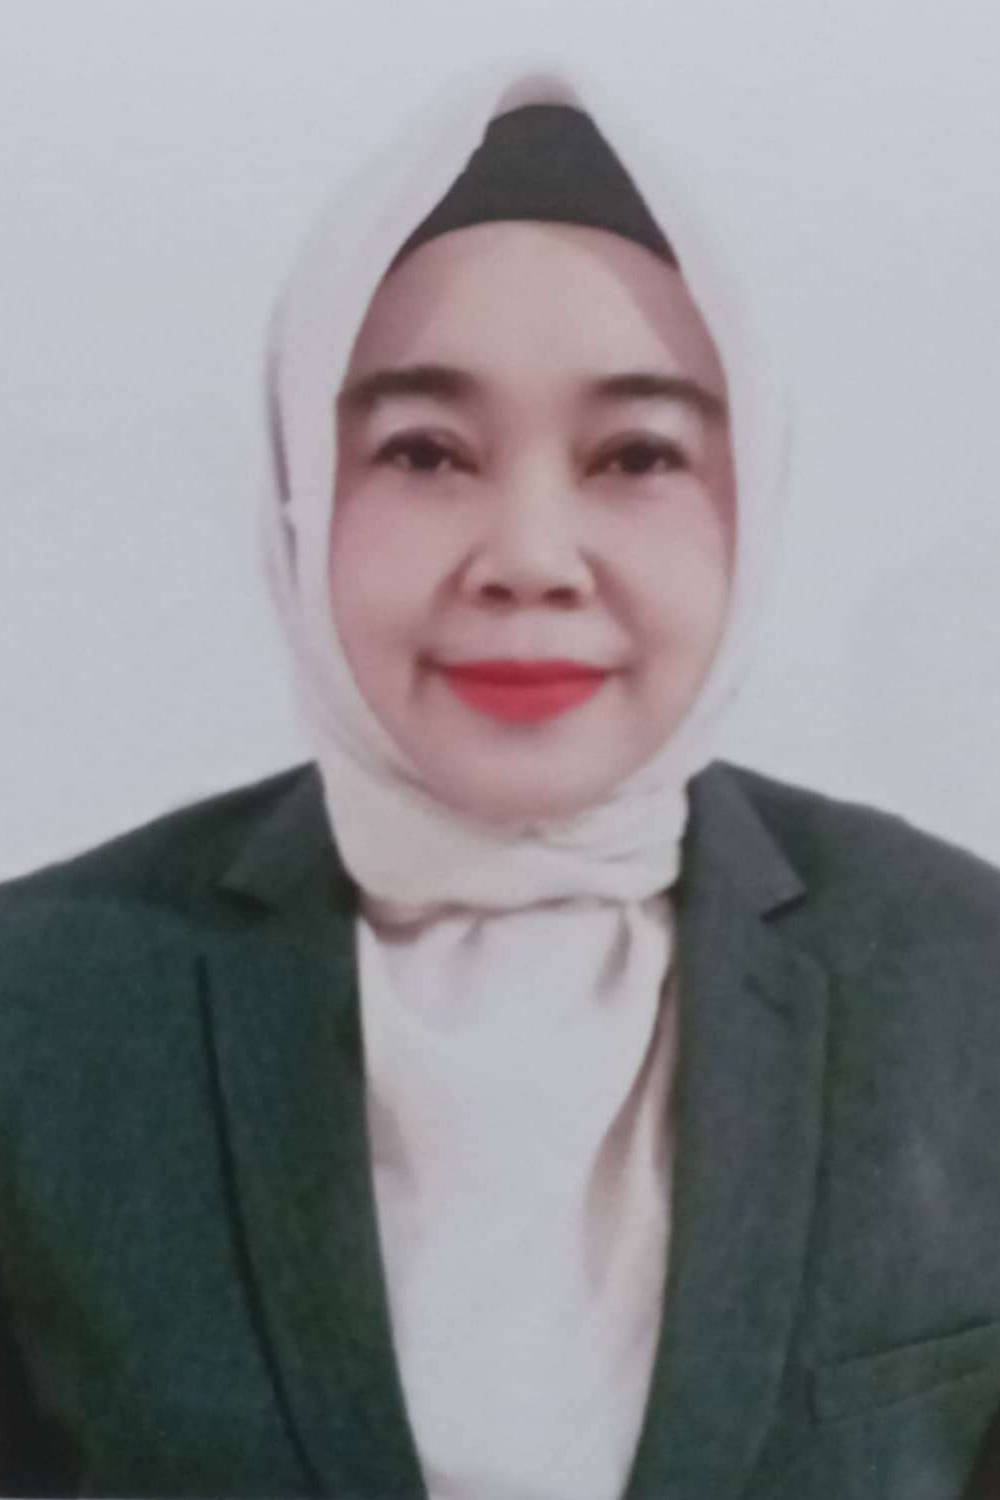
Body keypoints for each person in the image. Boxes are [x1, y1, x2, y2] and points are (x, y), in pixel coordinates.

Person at [1, 57, 999, 1500]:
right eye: (424, 451)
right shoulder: (42, 1006)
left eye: (637, 453)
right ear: (298, 489)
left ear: (753, 497)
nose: (530, 559)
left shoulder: (966, 978)